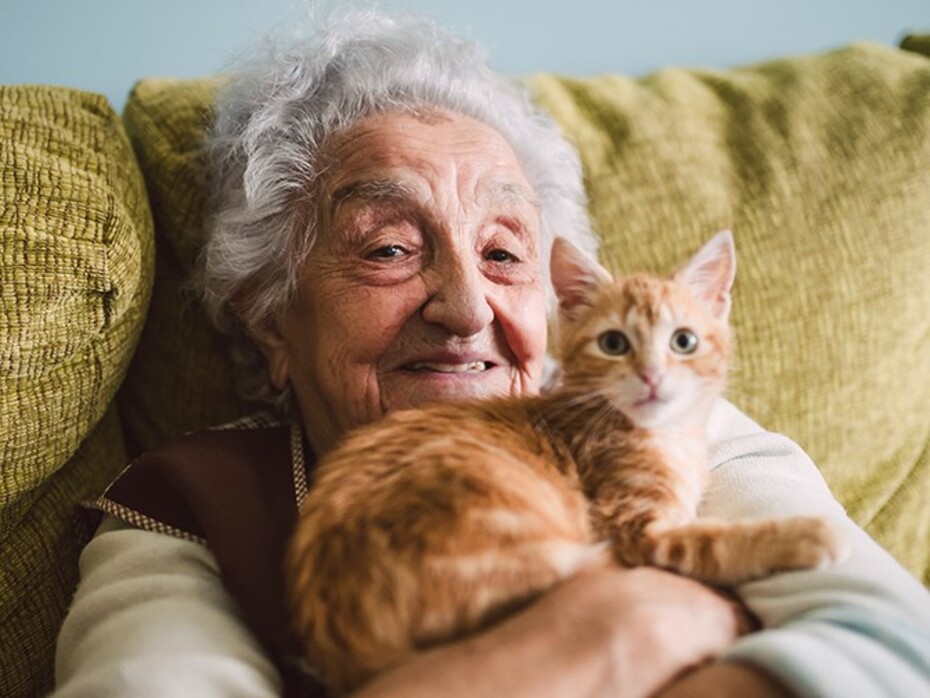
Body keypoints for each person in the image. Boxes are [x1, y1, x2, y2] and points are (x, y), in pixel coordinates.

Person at [53, 7, 930, 698]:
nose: (468, 308)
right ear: (270, 321)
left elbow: (895, 653)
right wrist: (620, 633)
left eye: (506, 254)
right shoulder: (180, 512)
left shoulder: (657, 414)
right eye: (390, 247)